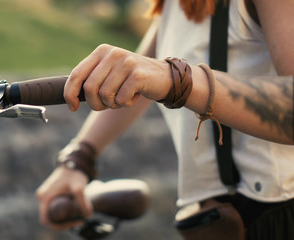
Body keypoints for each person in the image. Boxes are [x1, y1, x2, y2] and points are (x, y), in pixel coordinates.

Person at [36, 0, 294, 239]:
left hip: (277, 213)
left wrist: (176, 80)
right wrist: (79, 159)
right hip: (219, 219)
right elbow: (135, 80)